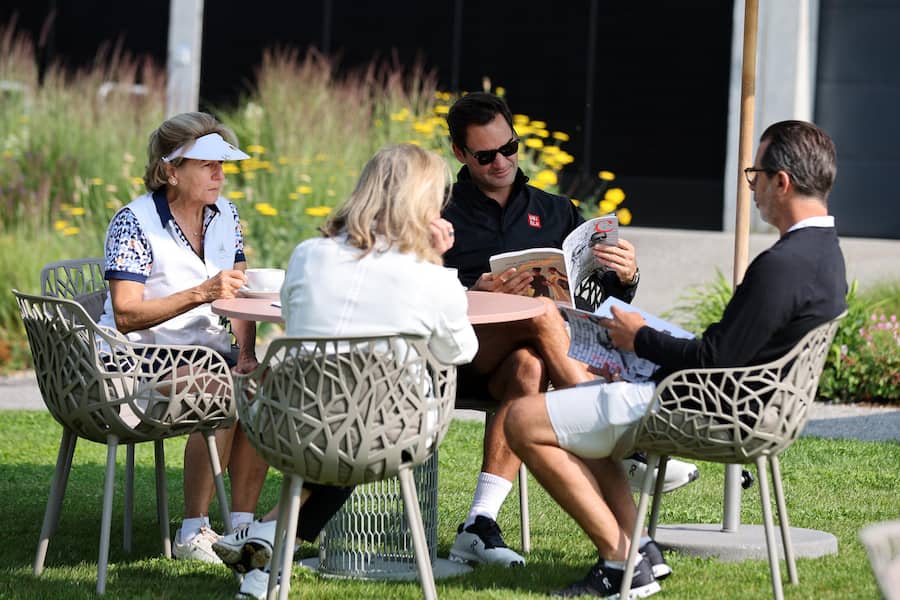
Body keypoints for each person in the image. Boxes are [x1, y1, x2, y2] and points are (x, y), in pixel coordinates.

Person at [504, 120, 848, 597]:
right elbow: (729, 354)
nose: (753, 190)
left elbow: (715, 359)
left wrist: (639, 340)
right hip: (753, 406)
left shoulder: (783, 265)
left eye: (755, 177)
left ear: (782, 182)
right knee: (582, 406)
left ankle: (617, 559)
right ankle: (639, 550)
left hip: (710, 409)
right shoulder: (825, 254)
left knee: (522, 420)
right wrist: (635, 353)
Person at [441, 92, 698, 567]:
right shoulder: (441, 211)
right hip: (456, 354)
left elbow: (595, 299)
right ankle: (619, 433)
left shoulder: (556, 210)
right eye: (485, 155)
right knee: (540, 316)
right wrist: (473, 285)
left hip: (523, 361)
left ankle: (478, 523)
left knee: (528, 364)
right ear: (460, 153)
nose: (502, 162)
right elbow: (410, 280)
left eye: (510, 148)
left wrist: (625, 274)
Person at [211, 143, 479, 599]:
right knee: (360, 431)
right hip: (392, 431)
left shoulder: (308, 254)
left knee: (344, 429)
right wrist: (435, 263)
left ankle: (263, 555)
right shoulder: (431, 277)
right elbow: (462, 350)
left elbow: (296, 326)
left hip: (293, 421)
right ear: (424, 204)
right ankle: (268, 538)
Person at [97, 112, 271, 562]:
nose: (220, 174)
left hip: (205, 356)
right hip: (133, 363)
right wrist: (201, 292)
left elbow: (239, 290)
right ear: (171, 171)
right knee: (225, 390)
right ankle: (193, 530)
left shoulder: (225, 214)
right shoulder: (132, 221)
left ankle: (242, 527)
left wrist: (246, 353)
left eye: (223, 164)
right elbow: (126, 314)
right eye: (207, 165)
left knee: (262, 388)